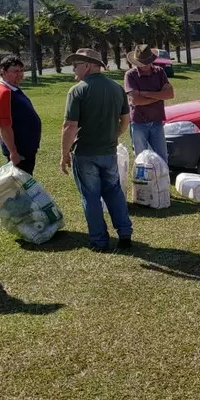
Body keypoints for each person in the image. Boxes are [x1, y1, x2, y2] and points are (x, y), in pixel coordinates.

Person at [60, 48, 132, 252]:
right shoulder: (117, 88)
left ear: (88, 66)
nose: (73, 68)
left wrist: (64, 154)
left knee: (91, 197)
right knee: (114, 191)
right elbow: (125, 119)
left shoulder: (77, 90)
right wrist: (114, 136)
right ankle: (125, 233)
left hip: (85, 153)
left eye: (76, 64)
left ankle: (99, 241)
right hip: (108, 151)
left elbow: (69, 126)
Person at [0, 55, 42, 175]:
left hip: (25, 146)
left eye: (21, 71)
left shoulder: (12, 88)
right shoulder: (3, 93)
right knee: (21, 186)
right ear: (3, 72)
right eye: (15, 71)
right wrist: (13, 152)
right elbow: (5, 126)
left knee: (24, 183)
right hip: (19, 149)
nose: (20, 74)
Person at [123, 44, 174, 164]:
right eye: (141, 62)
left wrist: (143, 93)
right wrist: (159, 95)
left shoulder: (160, 72)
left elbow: (170, 94)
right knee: (141, 159)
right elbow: (135, 100)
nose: (144, 65)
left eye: (146, 62)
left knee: (162, 158)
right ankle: (143, 182)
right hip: (138, 123)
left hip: (157, 121)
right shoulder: (130, 75)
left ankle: (161, 181)